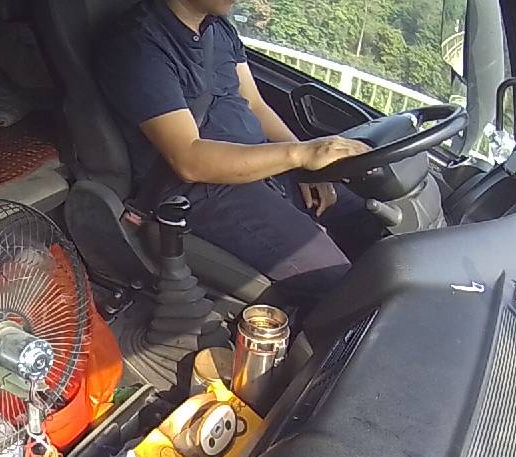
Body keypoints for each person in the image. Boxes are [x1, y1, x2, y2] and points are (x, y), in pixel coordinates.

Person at [96, 0, 386, 304]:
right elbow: (189, 159)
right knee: (337, 282)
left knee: (366, 220)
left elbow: (256, 105)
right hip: (203, 189)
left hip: (260, 162)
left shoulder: (218, 29)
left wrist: (307, 168)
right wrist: (299, 155)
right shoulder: (138, 45)